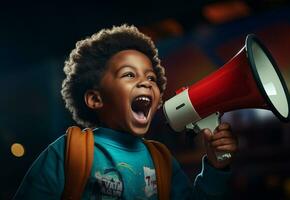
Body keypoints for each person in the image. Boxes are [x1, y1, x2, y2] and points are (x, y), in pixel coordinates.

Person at [14, 24, 238, 199]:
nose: (146, 83)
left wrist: (218, 166)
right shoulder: (68, 152)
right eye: (129, 74)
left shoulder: (161, 160)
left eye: (151, 77)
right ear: (95, 99)